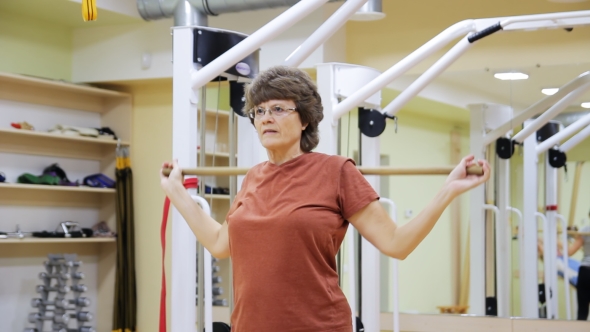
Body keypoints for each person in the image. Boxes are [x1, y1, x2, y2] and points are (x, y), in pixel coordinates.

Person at [160, 66, 490, 332]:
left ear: (304, 119)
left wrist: (448, 191)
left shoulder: (336, 171)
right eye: (259, 111)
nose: (266, 118)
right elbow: (220, 244)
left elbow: (396, 243)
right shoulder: (253, 178)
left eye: (278, 109)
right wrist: (178, 193)